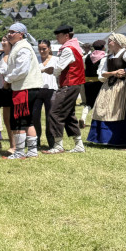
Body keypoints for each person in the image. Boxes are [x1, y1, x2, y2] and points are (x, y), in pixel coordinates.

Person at [87, 33, 126, 146]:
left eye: (110, 41)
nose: (108, 43)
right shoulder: (107, 57)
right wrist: (114, 73)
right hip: (109, 85)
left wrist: (125, 72)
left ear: (117, 42)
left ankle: (120, 138)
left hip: (123, 85)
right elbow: (101, 74)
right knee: (102, 109)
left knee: (119, 110)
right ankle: (103, 138)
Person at [2, 23, 43, 159]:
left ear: (21, 34)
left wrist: (8, 79)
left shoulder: (23, 48)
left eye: (12, 32)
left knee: (19, 121)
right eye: (8, 32)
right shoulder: (20, 46)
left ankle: (19, 152)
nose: (9, 34)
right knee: (28, 121)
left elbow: (21, 70)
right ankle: (32, 151)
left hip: (24, 88)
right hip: (26, 88)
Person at [44, 25, 86, 154]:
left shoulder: (68, 49)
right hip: (74, 84)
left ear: (66, 36)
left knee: (55, 112)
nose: (57, 37)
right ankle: (79, 145)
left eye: (59, 35)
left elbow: (58, 68)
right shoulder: (74, 47)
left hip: (69, 84)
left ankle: (58, 145)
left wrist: (51, 70)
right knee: (68, 115)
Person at [32, 39, 57, 149]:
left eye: (44, 49)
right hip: (37, 90)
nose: (42, 51)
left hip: (51, 90)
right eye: (40, 49)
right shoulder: (35, 60)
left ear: (49, 48)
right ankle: (36, 140)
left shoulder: (56, 60)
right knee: (35, 116)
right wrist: (43, 70)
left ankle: (51, 142)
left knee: (50, 117)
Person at [79, 40, 106, 129]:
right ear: (103, 47)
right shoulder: (105, 57)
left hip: (87, 82)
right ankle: (98, 122)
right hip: (99, 82)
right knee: (100, 102)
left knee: (89, 103)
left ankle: (83, 118)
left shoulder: (86, 57)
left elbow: (84, 68)